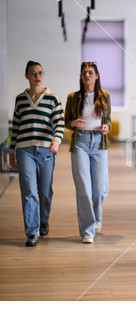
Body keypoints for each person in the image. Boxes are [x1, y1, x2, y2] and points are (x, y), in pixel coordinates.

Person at [9, 60, 65, 247]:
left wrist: (56, 140)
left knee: (45, 191)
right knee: (29, 191)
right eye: (33, 73)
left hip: (45, 150)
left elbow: (59, 123)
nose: (37, 76)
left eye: (40, 73)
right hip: (24, 150)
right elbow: (16, 127)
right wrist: (12, 149)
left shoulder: (52, 98)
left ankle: (43, 220)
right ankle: (32, 232)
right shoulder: (20, 99)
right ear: (26, 76)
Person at [65, 62, 111, 244]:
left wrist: (107, 126)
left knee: (100, 190)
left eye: (90, 72)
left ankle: (97, 217)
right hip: (81, 143)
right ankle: (87, 231)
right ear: (81, 76)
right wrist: (73, 124)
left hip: (99, 143)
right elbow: (66, 120)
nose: (87, 75)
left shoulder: (105, 96)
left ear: (97, 75)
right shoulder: (73, 97)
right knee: (84, 189)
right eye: (84, 72)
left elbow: (108, 119)